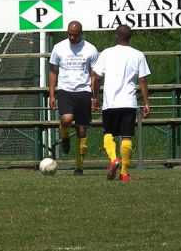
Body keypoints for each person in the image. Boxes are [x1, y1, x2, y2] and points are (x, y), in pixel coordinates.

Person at [92, 25, 151, 181]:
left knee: (108, 134)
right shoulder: (138, 54)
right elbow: (142, 80)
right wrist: (146, 102)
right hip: (128, 102)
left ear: (116, 36)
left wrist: (95, 97)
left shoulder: (106, 53)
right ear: (130, 38)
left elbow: (96, 77)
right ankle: (124, 173)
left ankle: (114, 159)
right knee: (127, 136)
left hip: (110, 103)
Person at [49, 20, 99, 175]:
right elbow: (53, 71)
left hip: (83, 91)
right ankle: (65, 136)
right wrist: (52, 94)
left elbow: (94, 74)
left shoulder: (90, 49)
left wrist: (94, 96)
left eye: (75, 35)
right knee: (66, 119)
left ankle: (79, 167)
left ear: (81, 33)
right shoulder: (59, 47)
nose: (72, 37)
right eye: (69, 34)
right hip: (65, 90)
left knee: (82, 131)